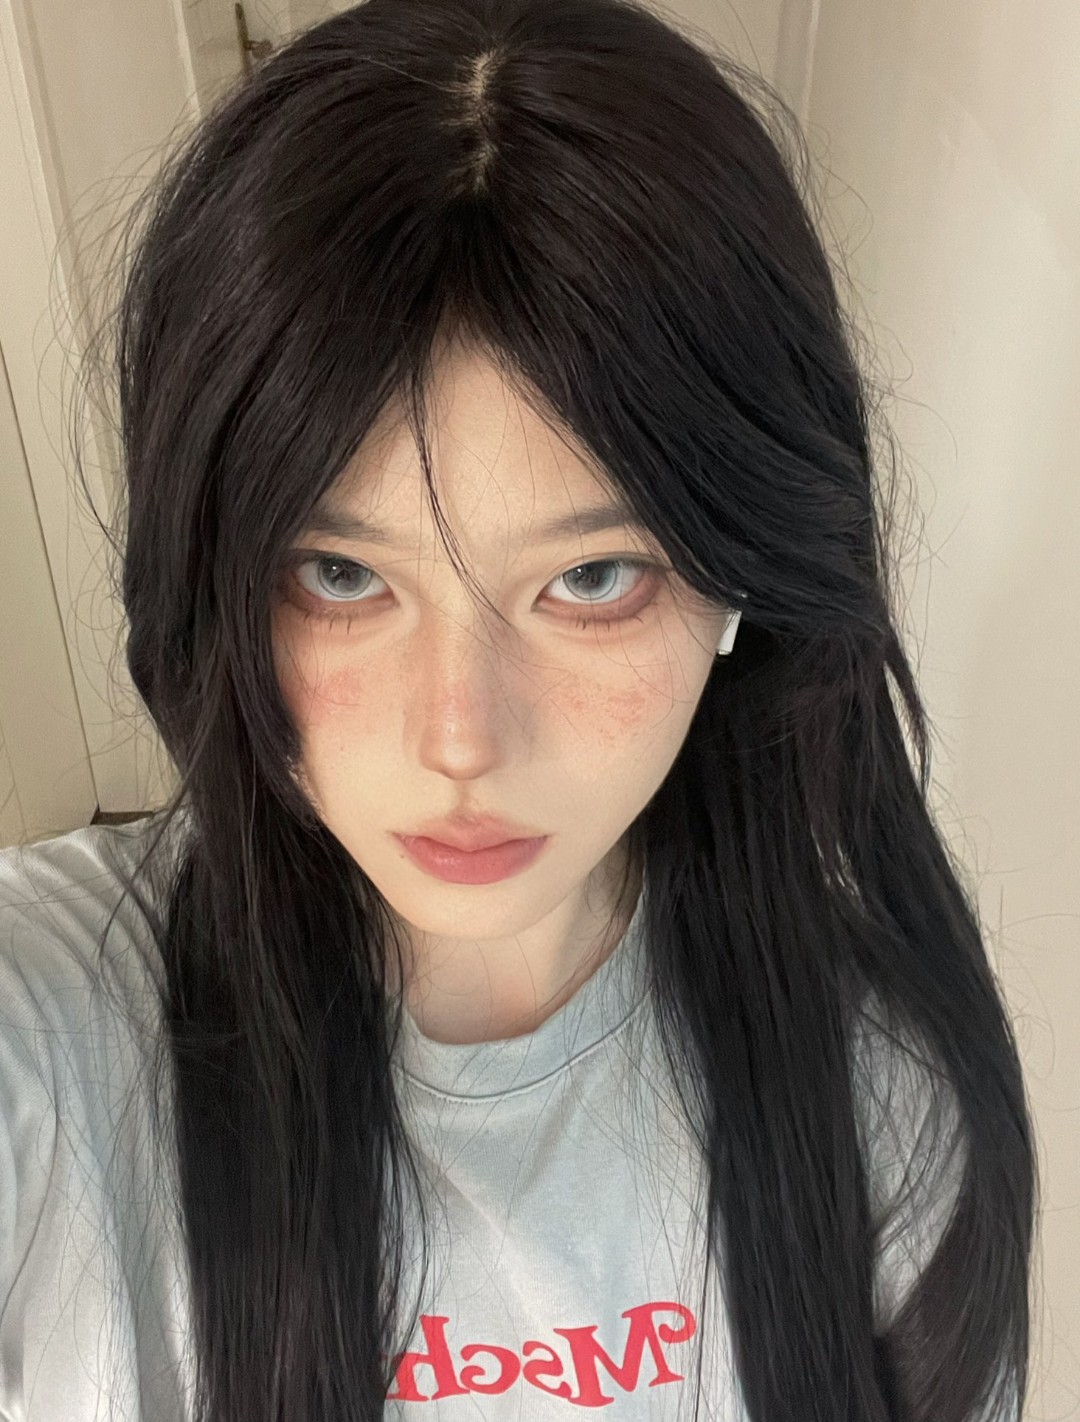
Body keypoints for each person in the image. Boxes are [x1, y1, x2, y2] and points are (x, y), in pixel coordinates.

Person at [0, 0, 1037, 1418]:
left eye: (592, 577)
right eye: (342, 573)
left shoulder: (885, 1097)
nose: (461, 739)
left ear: (742, 580)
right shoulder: (59, 1038)